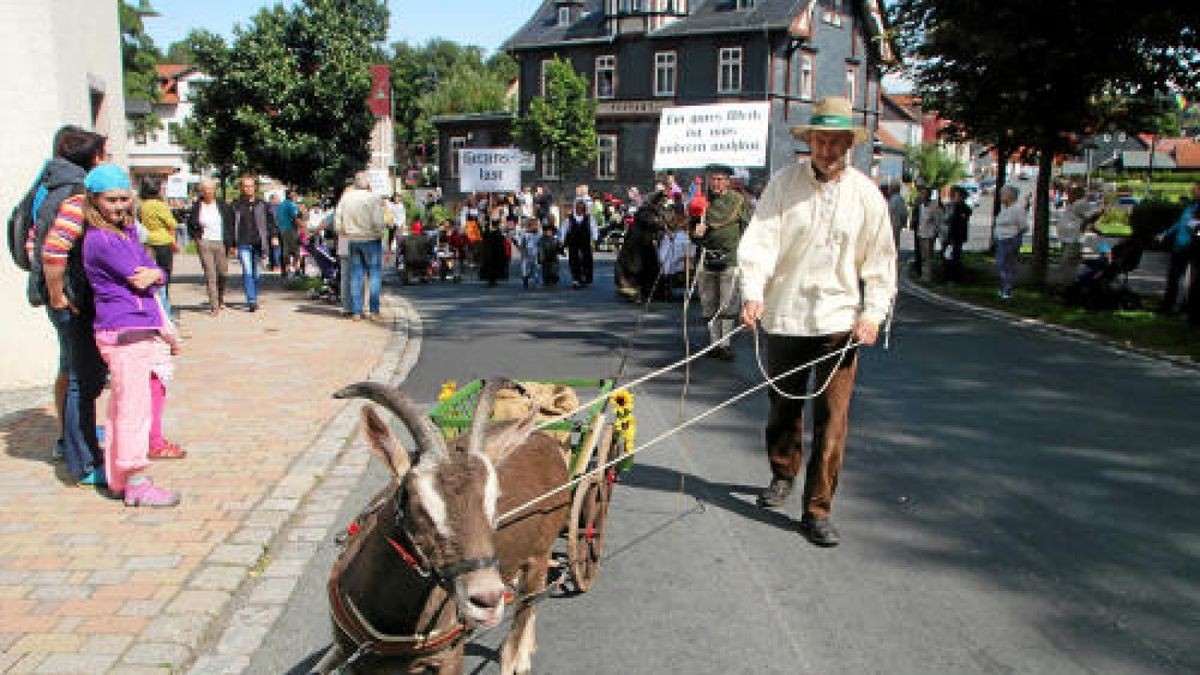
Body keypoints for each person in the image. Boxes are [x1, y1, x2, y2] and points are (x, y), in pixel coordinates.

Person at [737, 97, 897, 547]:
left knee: (833, 420)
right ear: (809, 141)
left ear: (849, 144)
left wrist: (872, 315)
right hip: (786, 316)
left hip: (838, 324)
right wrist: (753, 294)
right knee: (783, 408)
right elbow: (760, 243)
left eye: (836, 141)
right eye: (820, 140)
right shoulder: (783, 186)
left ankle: (817, 509)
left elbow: (881, 263)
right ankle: (783, 471)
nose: (827, 148)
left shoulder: (866, 195)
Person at [80, 164, 182, 507]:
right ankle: (135, 479)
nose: (120, 205)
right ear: (94, 200)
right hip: (125, 329)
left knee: (124, 405)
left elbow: (153, 272)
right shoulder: (103, 239)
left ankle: (119, 477)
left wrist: (154, 273)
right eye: (112, 200)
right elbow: (142, 276)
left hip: (134, 326)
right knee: (133, 411)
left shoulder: (123, 233)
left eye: (125, 198)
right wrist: (154, 273)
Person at [34, 128, 109, 482]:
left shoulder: (49, 187)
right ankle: (83, 458)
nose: (107, 159)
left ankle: (74, 442)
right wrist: (58, 294)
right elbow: (52, 250)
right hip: (74, 298)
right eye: (103, 154)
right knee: (81, 377)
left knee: (74, 371)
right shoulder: (76, 196)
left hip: (71, 296)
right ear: (92, 159)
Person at [691, 164, 750, 360]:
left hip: (730, 259)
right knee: (708, 303)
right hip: (706, 259)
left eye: (720, 179)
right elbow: (693, 233)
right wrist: (695, 233)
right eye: (713, 179)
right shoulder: (702, 202)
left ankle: (725, 344)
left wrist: (745, 254)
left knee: (728, 304)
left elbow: (747, 229)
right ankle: (714, 343)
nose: (716, 183)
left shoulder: (738, 201)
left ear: (728, 181)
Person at [335, 172, 388, 321]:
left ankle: (356, 311)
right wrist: (379, 233)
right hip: (370, 238)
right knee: (374, 276)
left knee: (356, 276)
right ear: (367, 183)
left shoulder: (346, 198)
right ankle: (374, 311)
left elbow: (337, 221)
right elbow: (378, 221)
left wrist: (345, 232)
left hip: (353, 239)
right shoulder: (372, 198)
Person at [186, 179, 234, 315]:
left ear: (215, 190)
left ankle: (220, 298)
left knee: (223, 273)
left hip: (220, 242)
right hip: (204, 242)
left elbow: (230, 224)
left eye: (211, 189)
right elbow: (191, 224)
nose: (208, 191)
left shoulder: (222, 205)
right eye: (205, 189)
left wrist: (231, 244)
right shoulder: (197, 206)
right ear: (201, 191)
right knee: (210, 274)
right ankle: (214, 306)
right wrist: (197, 239)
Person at [229, 176, 276, 311]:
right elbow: (231, 226)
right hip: (243, 243)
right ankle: (251, 300)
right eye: (246, 186)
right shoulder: (236, 205)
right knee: (248, 271)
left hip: (258, 243)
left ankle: (254, 295)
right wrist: (232, 244)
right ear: (241, 188)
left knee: (256, 274)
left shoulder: (262, 204)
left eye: (251, 186)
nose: (248, 188)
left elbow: (270, 222)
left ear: (255, 187)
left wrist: (273, 236)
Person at [1155, 181, 1200, 315]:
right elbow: (1179, 223)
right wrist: (1164, 234)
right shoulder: (1190, 206)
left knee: (1190, 281)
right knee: (1173, 277)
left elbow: (1196, 227)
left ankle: (1188, 308)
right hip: (1179, 246)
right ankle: (1167, 306)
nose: (1192, 192)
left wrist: (1195, 229)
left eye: (1195, 190)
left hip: (1192, 248)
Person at [138, 176, 178, 314]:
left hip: (146, 242)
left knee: (151, 277)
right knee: (164, 276)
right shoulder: (160, 205)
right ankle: (166, 310)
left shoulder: (141, 205)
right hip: (163, 242)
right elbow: (172, 223)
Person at [1059, 185, 1103, 275]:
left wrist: (1088, 222)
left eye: (1070, 194)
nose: (1068, 196)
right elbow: (1083, 218)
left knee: (1067, 263)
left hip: (1073, 239)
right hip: (1067, 238)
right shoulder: (1074, 204)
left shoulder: (1080, 203)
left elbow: (1093, 215)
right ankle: (1066, 281)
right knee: (1067, 262)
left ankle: (1066, 282)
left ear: (1076, 194)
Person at [993, 185, 1027, 299]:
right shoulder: (1005, 209)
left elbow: (1023, 226)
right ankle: (1004, 287)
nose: (1001, 197)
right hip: (1001, 239)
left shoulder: (1017, 209)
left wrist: (1014, 237)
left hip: (1010, 240)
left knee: (1006, 265)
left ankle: (1007, 289)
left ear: (1011, 196)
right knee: (1001, 265)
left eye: (1003, 194)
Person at [562, 199, 596, 289]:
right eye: (578, 208)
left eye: (582, 208)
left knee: (587, 258)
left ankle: (586, 276)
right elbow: (564, 229)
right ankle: (576, 278)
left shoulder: (589, 218)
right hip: (573, 241)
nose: (580, 210)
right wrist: (562, 240)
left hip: (585, 240)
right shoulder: (569, 219)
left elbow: (593, 228)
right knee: (573, 259)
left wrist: (595, 238)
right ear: (575, 208)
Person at [942, 186, 971, 283]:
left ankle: (953, 277)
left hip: (956, 236)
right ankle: (946, 276)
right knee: (946, 256)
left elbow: (958, 221)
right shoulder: (950, 206)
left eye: (956, 195)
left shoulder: (963, 208)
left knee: (954, 257)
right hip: (948, 235)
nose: (954, 197)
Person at [915, 187, 941, 282]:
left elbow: (937, 221)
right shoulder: (921, 206)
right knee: (923, 256)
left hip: (929, 235)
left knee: (928, 256)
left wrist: (935, 232)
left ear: (928, 195)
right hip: (921, 233)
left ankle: (927, 276)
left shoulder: (933, 206)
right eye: (921, 194)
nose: (922, 196)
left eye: (924, 194)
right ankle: (923, 275)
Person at [275, 190, 300, 279]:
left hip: (282, 230)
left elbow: (277, 218)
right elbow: (295, 217)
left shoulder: (280, 205)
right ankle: (296, 271)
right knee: (295, 250)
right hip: (291, 229)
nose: (297, 197)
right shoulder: (291, 204)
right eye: (295, 195)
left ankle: (286, 271)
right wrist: (300, 227)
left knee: (285, 250)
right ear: (291, 195)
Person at [886, 183, 908, 267]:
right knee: (894, 244)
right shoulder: (898, 199)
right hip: (895, 224)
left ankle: (891, 263)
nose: (889, 190)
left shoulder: (895, 200)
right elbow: (904, 213)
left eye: (890, 188)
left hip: (893, 225)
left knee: (892, 244)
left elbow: (902, 213)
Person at [518, 218, 542, 288]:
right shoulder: (525, 234)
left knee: (536, 269)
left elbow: (540, 244)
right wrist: (522, 252)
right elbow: (522, 244)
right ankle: (525, 279)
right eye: (534, 225)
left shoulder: (539, 235)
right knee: (526, 269)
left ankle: (536, 282)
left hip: (536, 254)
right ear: (529, 226)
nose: (536, 227)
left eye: (536, 225)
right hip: (527, 254)